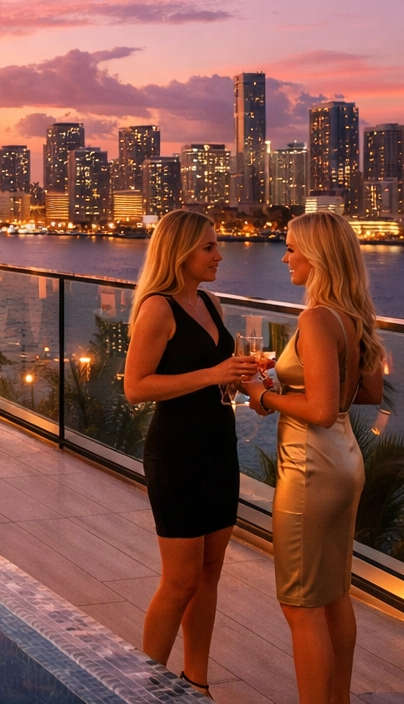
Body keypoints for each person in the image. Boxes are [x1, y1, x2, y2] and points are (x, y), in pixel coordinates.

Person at [242, 212, 384, 704]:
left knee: (301, 605)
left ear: (317, 257)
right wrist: (295, 382)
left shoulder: (317, 318)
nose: (284, 258)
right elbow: (365, 393)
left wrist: (261, 395)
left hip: (310, 467)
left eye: (290, 249)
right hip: (345, 458)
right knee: (335, 595)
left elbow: (320, 411)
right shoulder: (354, 316)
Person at [122, 210, 259, 696]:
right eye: (208, 247)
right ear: (180, 253)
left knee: (210, 572)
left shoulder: (211, 302)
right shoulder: (157, 308)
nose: (218, 254)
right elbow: (136, 387)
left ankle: (195, 682)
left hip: (219, 448)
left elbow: (220, 371)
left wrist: (247, 375)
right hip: (176, 453)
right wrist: (214, 375)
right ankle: (145, 687)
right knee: (179, 580)